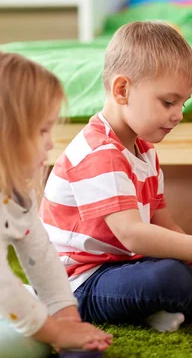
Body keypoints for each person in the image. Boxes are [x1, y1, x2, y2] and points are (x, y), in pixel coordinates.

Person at [41, 21, 192, 332]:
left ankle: (155, 311)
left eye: (182, 103)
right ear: (122, 90)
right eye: (168, 102)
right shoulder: (97, 152)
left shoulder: (144, 150)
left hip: (124, 263)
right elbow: (133, 235)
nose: (178, 114)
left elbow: (163, 224)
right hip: (80, 283)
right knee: (170, 277)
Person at [0, 51, 112, 352]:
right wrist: (55, 333)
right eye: (42, 131)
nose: (51, 142)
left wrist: (68, 316)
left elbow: (40, 252)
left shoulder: (16, 192)